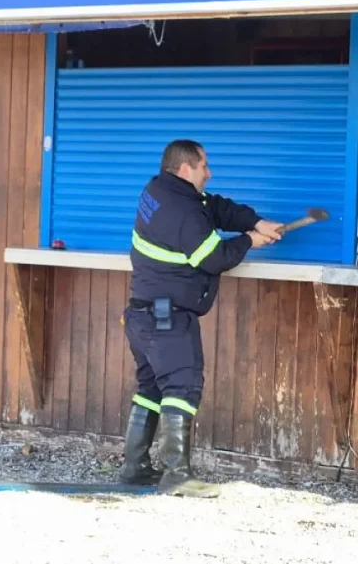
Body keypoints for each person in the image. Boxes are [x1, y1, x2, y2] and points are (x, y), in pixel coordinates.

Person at [119, 139, 283, 498]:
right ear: (185, 168)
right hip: (167, 319)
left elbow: (214, 207)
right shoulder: (183, 212)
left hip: (143, 314)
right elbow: (214, 258)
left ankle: (134, 468)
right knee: (182, 387)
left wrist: (256, 222)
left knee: (151, 389)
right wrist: (248, 241)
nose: (209, 173)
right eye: (204, 165)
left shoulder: (160, 190)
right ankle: (177, 475)